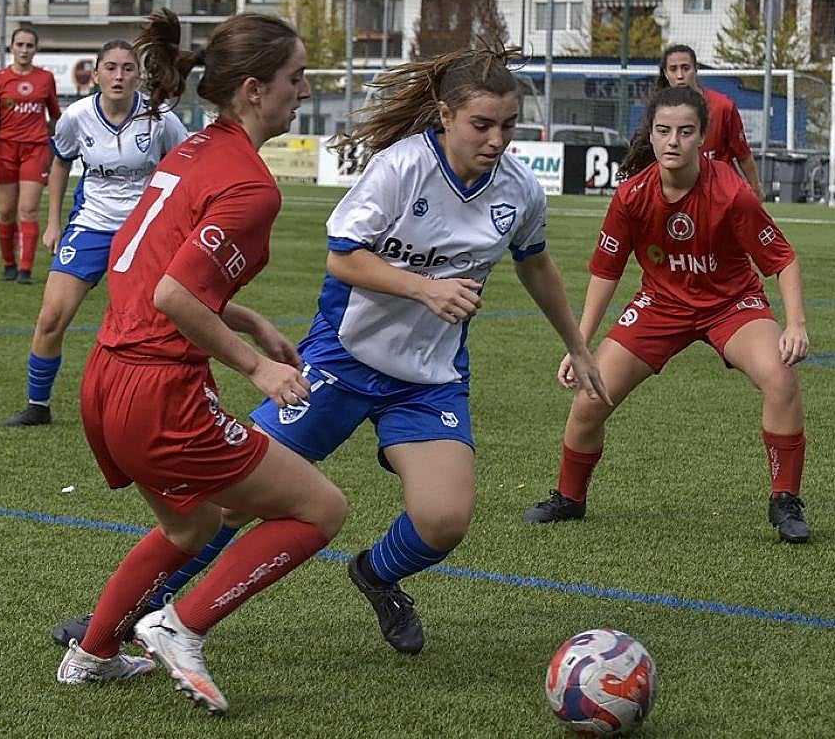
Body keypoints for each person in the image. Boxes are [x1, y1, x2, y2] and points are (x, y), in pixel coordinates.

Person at [51, 46, 609, 658]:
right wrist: (425, 287)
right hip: (339, 361)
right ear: (445, 115)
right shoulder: (401, 168)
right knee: (230, 503)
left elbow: (536, 263)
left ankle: (378, 574)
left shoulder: (519, 190)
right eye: (483, 124)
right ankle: (133, 614)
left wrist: (577, 345)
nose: (498, 139)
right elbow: (343, 257)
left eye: (509, 125)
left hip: (428, 378)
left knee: (445, 520)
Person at [55, 10, 348, 715]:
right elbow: (175, 291)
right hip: (159, 388)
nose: (303, 90)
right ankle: (180, 627)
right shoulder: (251, 185)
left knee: (194, 526)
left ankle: (92, 653)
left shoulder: (190, 153)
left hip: (107, 377)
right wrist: (258, 366)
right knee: (321, 509)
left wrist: (246, 318)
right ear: (253, 88)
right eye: (295, 77)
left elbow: (145, 269)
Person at [523, 85, 813, 544]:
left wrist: (795, 324)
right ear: (651, 136)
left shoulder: (731, 193)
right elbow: (606, 273)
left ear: (702, 137)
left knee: (780, 377)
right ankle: (569, 497)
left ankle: (785, 501)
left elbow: (782, 259)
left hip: (731, 304)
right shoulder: (632, 197)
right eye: (663, 131)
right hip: (661, 305)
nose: (673, 140)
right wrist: (578, 346)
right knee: (589, 399)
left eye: (685, 131)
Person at [1, 38, 190, 427]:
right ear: (97, 73)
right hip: (91, 226)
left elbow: (187, 170)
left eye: (128, 68)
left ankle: (166, 406)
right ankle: (38, 405)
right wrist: (54, 222)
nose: (119, 76)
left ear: (139, 75)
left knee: (160, 324)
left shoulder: (161, 118)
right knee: (52, 316)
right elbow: (60, 163)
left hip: (145, 231)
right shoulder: (77, 116)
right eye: (111, 68)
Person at [0, 28, 62, 284]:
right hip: (5, 151)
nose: (24, 50)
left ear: (36, 49)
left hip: (35, 150)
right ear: (11, 47)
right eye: (20, 45)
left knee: (28, 209)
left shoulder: (46, 78)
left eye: (29, 45)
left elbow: (55, 116)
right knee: (6, 211)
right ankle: (8, 264)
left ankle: (25, 270)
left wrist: (59, 147)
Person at [654, 44, 764, 201]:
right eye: (673, 69)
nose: (680, 75)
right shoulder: (659, 110)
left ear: (696, 69)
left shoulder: (722, 106)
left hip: (719, 191)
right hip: (678, 192)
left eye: (685, 68)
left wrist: (755, 189)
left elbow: (743, 154)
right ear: (665, 73)